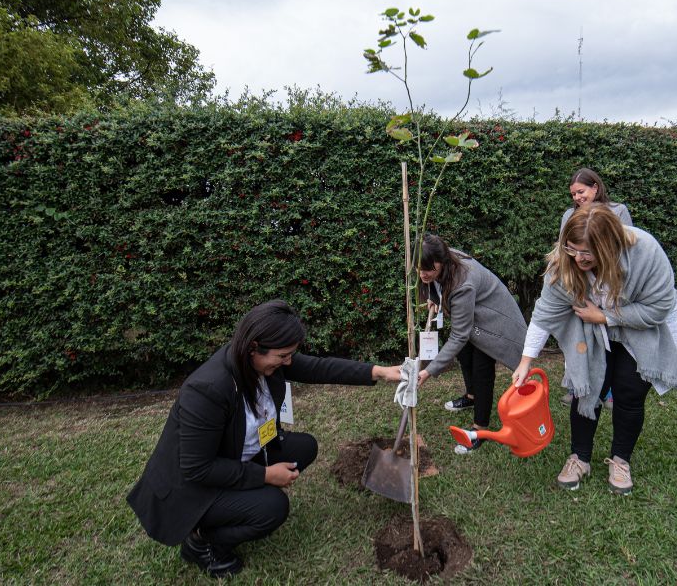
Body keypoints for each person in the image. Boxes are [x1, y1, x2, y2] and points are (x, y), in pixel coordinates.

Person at [127, 300, 401, 577]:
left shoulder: (261, 362)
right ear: (253, 348)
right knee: (273, 507)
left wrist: (379, 372)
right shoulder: (207, 390)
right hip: (190, 489)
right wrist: (265, 475)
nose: (289, 362)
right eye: (283, 356)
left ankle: (239, 503)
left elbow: (319, 368)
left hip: (232, 458)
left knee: (304, 447)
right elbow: (197, 468)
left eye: (291, 354)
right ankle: (202, 542)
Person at [513, 204, 677, 495]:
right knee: (586, 388)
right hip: (590, 332)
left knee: (629, 392)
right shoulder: (566, 262)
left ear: (609, 246)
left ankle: (621, 460)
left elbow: (659, 308)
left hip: (640, 331)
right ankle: (579, 458)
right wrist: (525, 361)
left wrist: (606, 316)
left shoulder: (646, 252)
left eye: (587, 252)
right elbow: (544, 314)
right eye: (573, 249)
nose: (579, 258)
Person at [416, 233, 528, 454]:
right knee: (464, 356)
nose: (423, 274)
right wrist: (434, 297)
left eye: (428, 269)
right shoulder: (443, 262)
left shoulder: (462, 283)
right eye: (419, 268)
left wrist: (429, 371)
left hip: (493, 321)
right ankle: (471, 396)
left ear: (442, 261)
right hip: (474, 315)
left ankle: (479, 429)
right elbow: (435, 284)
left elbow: (459, 335)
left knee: (481, 369)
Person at [559, 167, 633, 407]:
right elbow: (564, 250)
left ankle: (608, 389)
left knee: (608, 337)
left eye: (581, 191)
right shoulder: (569, 215)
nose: (577, 198)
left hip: (610, 285)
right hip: (582, 284)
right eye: (573, 194)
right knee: (580, 336)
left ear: (595, 188)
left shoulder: (618, 211)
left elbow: (627, 246)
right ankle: (577, 385)